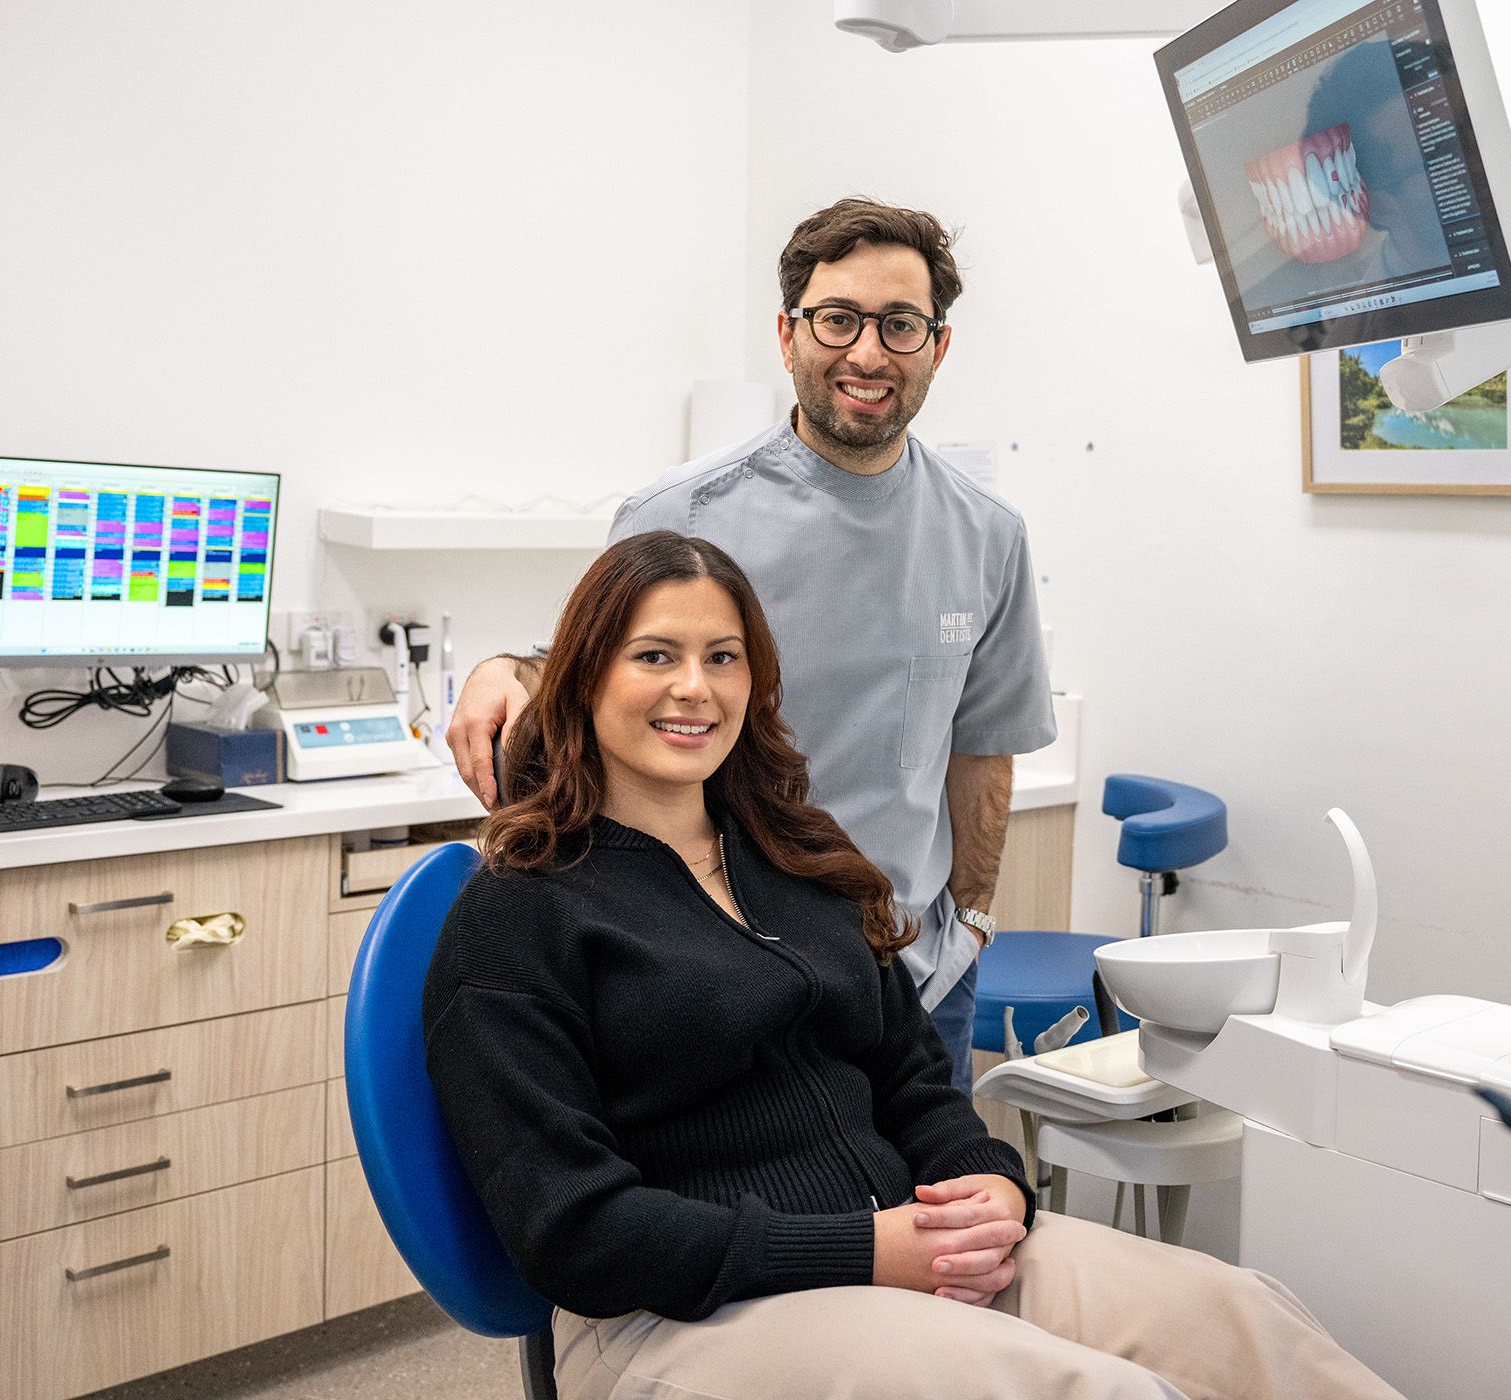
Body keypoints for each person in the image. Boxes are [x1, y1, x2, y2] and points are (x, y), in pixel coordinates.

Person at [424, 530, 1404, 1400]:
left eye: (722, 656)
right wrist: (868, 1249)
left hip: (903, 1240)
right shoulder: (520, 915)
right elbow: (577, 1231)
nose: (695, 686)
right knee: (1087, 1389)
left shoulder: (794, 860)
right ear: (584, 678)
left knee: (1241, 1316)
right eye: (655, 655)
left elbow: (911, 1075)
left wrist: (986, 1180)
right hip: (674, 1316)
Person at [446, 197, 1053, 1092]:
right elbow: (602, 680)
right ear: (788, 333)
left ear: (939, 346)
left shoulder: (987, 536)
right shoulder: (684, 515)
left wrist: (970, 921)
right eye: (837, 320)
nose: (867, 353)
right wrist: (507, 667)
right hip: (719, 980)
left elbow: (982, 747)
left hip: (917, 980)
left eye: (901, 325)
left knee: (945, 1219)